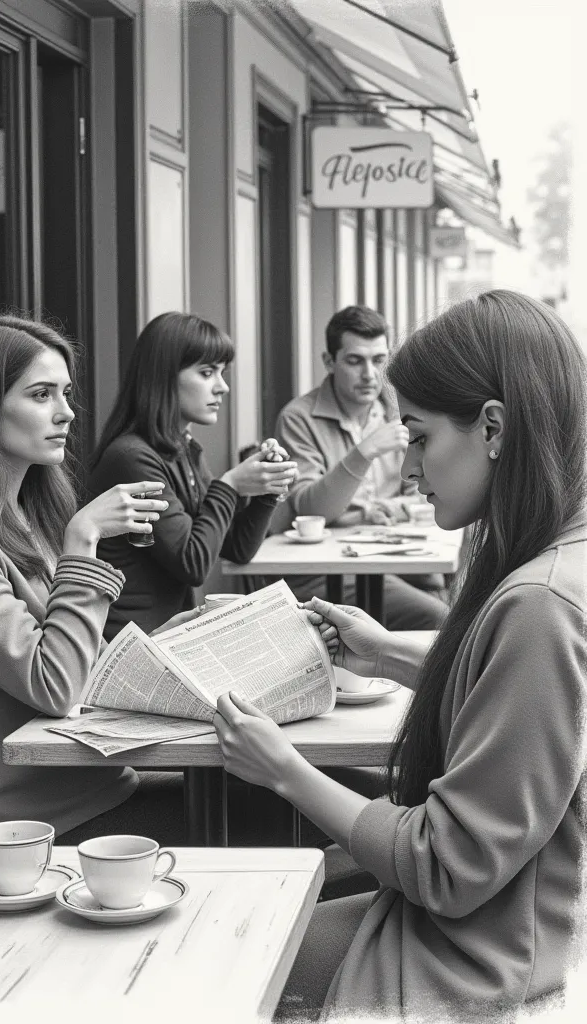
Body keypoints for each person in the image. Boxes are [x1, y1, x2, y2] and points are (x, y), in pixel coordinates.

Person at [213, 291, 586, 1020]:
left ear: (493, 429)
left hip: (473, 962)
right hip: (501, 932)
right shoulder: (557, 565)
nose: (411, 465)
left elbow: (447, 864)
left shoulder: (540, 603)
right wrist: (386, 654)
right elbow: (520, 707)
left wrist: (283, 771)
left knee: (226, 950)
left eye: (418, 437)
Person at [0, 313, 193, 844]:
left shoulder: (24, 518)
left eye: (66, 392)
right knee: (273, 807)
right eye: (41, 395)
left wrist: (191, 637)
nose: (67, 413)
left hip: (100, 789)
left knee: (279, 789)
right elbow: (56, 686)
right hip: (32, 831)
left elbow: (87, 662)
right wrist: (82, 540)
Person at [86, 312, 297, 638]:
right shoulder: (132, 459)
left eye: (222, 372)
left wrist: (267, 488)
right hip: (129, 648)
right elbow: (193, 562)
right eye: (207, 372)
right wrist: (230, 485)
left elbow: (237, 549)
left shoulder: (183, 450)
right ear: (165, 376)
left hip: (169, 636)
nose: (223, 387)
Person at [274, 305, 449, 630]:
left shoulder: (397, 410)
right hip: (327, 571)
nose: (370, 374)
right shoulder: (298, 418)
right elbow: (312, 510)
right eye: (355, 361)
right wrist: (364, 452)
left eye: (378, 360)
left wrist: (374, 511)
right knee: (440, 617)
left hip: (395, 559)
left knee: (455, 601)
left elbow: (421, 496)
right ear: (330, 362)